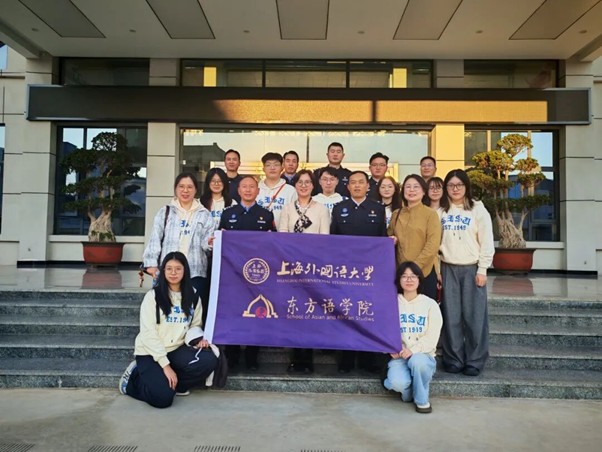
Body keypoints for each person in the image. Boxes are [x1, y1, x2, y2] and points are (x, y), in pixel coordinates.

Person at [119, 252, 218, 408]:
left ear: (185, 271)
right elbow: (148, 333)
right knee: (163, 399)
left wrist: (198, 340)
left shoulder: (193, 296)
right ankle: (132, 380)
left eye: (178, 269)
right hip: (150, 351)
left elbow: (195, 324)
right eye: (169, 268)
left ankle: (174, 385)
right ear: (163, 271)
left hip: (176, 349)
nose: (173, 273)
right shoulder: (153, 296)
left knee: (209, 360)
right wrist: (165, 366)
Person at [439, 169, 494, 377]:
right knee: (451, 316)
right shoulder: (441, 211)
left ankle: (475, 360)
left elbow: (486, 241)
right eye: (451, 185)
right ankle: (453, 359)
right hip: (448, 268)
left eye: (459, 185)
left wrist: (483, 269)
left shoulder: (478, 209)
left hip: (472, 268)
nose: (455, 189)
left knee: (475, 317)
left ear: (466, 186)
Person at [331, 170, 387, 373]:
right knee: (346, 314)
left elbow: (382, 239)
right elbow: (332, 240)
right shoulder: (339, 208)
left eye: (360, 182)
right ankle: (346, 358)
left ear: (367, 186)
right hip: (346, 272)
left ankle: (367, 359)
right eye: (353, 182)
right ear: (348, 187)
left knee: (367, 313)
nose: (356, 185)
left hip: (370, 272)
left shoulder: (377, 209)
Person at [218, 176, 276, 370]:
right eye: (244, 186)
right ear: (238, 190)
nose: (248, 190)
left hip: (258, 274)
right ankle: (232, 356)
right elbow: (220, 241)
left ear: (258, 191)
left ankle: (252, 357)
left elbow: (274, 245)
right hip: (232, 274)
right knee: (234, 313)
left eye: (252, 187)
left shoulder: (266, 215)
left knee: (257, 315)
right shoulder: (228, 214)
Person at [142, 172, 214, 325]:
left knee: (193, 312)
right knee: (166, 310)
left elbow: (206, 244)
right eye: (181, 186)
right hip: (169, 271)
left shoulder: (205, 214)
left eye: (189, 187)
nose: (185, 190)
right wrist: (151, 264)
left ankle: (192, 336)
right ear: (175, 189)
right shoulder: (166, 211)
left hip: (195, 271)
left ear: (196, 190)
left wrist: (210, 243)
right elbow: (155, 238)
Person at [278, 169, 330, 373]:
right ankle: (295, 358)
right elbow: (282, 237)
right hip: (292, 267)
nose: (304, 185)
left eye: (308, 182)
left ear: (313, 185)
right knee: (293, 312)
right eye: (300, 182)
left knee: (310, 312)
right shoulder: (287, 208)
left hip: (313, 267)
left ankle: (308, 359)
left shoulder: (321, 209)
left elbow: (324, 239)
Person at [382, 261, 442, 414]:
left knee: (417, 361)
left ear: (419, 280)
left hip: (423, 356)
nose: (409, 280)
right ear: (399, 280)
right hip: (399, 357)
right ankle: (409, 393)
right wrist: (391, 347)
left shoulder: (430, 304)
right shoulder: (391, 303)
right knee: (396, 382)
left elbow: (432, 338)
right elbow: (383, 330)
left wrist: (413, 350)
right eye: (404, 276)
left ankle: (422, 401)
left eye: (413, 276)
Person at [388, 174, 441, 300]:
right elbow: (389, 237)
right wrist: (391, 240)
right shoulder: (396, 214)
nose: (411, 190)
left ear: (424, 191)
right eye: (408, 187)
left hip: (424, 272)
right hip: (401, 274)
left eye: (416, 187)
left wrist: (413, 268)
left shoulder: (430, 214)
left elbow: (432, 245)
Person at [256, 152, 297, 228]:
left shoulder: (290, 191)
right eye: (268, 165)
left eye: (276, 165)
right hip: (259, 233)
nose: (272, 168)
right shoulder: (255, 189)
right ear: (263, 169)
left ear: (282, 167)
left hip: (283, 233)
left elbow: (294, 216)